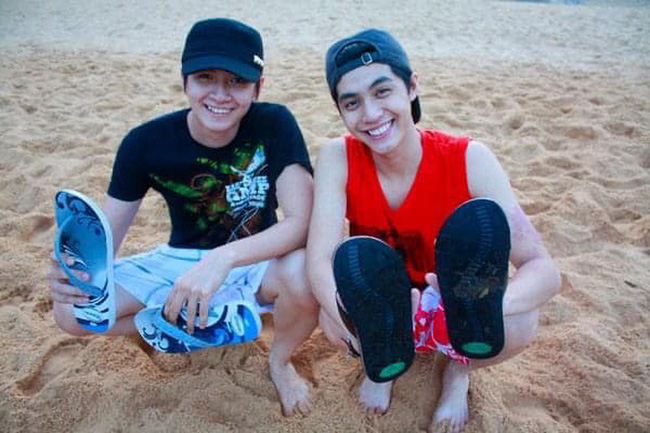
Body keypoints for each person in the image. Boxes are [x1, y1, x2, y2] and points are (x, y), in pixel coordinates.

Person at [47, 18, 316, 417]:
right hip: (180, 261)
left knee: (306, 273)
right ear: (185, 80)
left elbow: (301, 223)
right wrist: (77, 275)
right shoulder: (144, 143)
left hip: (258, 261)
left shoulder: (274, 123)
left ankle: (279, 362)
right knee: (71, 312)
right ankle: (193, 322)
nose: (220, 95)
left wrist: (222, 259)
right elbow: (105, 243)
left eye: (237, 81)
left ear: (258, 87)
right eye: (205, 78)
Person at [306, 29, 561, 432]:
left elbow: (543, 270)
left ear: (412, 87)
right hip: (384, 305)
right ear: (341, 111)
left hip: (455, 303)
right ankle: (383, 362)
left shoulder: (469, 158)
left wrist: (484, 307)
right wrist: (352, 315)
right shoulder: (338, 156)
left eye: (383, 92)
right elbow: (319, 259)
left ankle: (458, 370)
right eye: (352, 103)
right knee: (327, 314)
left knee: (522, 321)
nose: (370, 114)